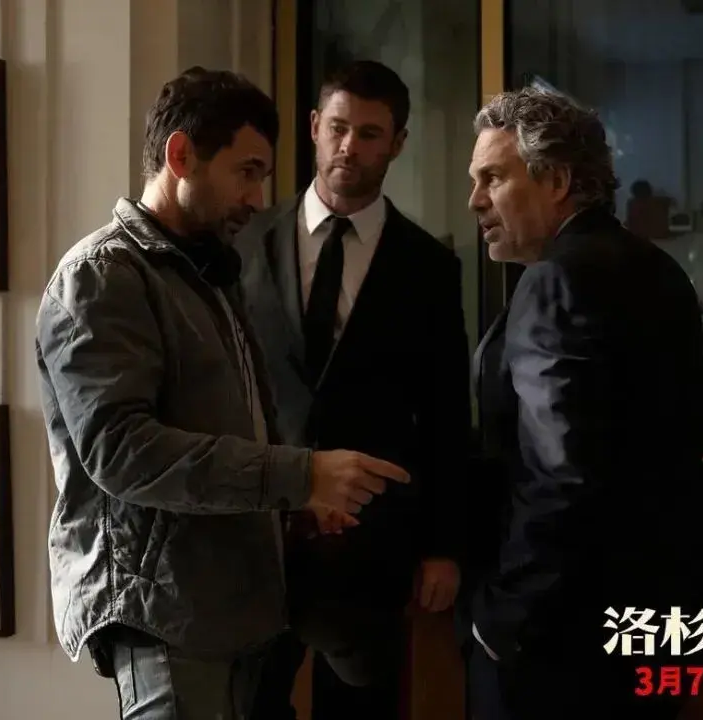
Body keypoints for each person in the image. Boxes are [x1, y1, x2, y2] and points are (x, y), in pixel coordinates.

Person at [36, 67, 410, 720]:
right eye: (247, 172)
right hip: (167, 615)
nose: (258, 197)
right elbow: (122, 452)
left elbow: (233, 429)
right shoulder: (102, 275)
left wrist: (295, 504)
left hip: (237, 611)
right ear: (181, 155)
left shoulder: (207, 272)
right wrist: (299, 475)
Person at [463, 87, 703, 719]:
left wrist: (502, 619)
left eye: (493, 178)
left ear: (557, 181)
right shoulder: (660, 269)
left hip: (560, 639)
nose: (475, 201)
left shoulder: (554, 278)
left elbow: (562, 474)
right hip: (655, 619)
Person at [237, 60, 471, 720]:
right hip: (258, 534)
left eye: (369, 134)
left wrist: (443, 547)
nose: (349, 147)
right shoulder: (246, 242)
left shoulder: (429, 266)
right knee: (248, 706)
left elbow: (446, 414)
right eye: (338, 128)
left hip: (372, 544)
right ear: (314, 127)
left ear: (397, 143)